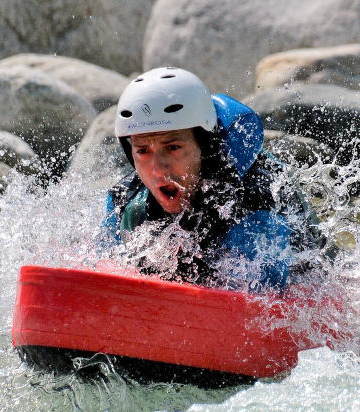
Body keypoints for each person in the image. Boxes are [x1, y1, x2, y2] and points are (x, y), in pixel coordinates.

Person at [102, 67, 327, 291]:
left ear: (205, 146)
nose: (158, 170)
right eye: (143, 151)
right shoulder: (123, 202)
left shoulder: (254, 203)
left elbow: (260, 304)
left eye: (173, 148)